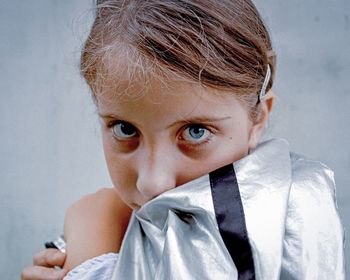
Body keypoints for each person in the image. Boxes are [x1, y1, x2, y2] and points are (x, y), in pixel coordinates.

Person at [21, 0, 345, 279]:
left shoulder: (296, 210)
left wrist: (92, 256)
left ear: (258, 117)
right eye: (125, 129)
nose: (153, 183)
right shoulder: (133, 227)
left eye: (195, 132)